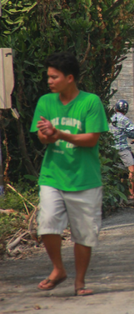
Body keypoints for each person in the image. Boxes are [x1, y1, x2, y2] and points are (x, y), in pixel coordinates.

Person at [30, 52, 108, 297]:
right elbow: (42, 137)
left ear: (70, 78)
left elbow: (91, 139)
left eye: (54, 77)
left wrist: (60, 133)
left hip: (85, 179)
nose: (49, 81)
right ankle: (58, 269)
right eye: (48, 77)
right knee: (48, 223)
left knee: (84, 233)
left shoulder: (91, 102)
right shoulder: (45, 102)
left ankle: (80, 282)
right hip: (53, 176)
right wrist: (49, 135)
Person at [109, 100, 134, 199]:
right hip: (122, 148)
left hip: (110, 149)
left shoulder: (110, 118)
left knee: (120, 171)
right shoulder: (124, 119)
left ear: (115, 108)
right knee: (132, 169)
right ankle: (131, 193)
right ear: (126, 110)